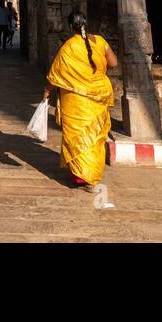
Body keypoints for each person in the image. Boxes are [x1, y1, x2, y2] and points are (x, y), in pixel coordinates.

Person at [43, 12, 117, 191]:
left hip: (75, 101)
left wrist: (47, 91)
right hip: (98, 96)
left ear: (71, 27)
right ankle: (92, 176)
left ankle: (82, 177)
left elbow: (55, 73)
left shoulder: (69, 46)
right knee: (95, 137)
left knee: (77, 137)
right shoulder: (100, 41)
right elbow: (113, 63)